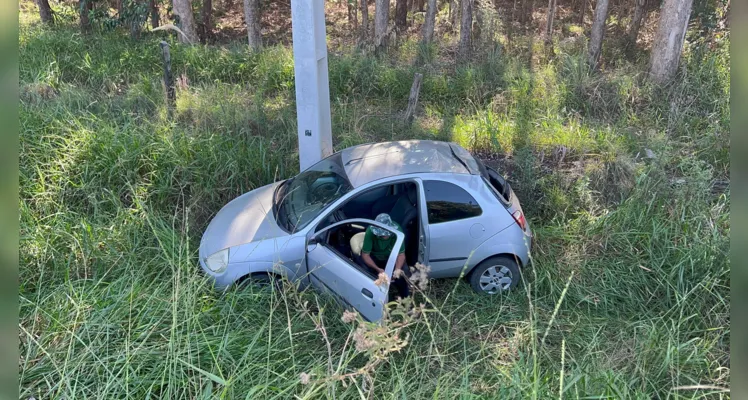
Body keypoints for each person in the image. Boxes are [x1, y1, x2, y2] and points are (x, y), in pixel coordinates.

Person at [361, 213, 410, 299]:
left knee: (404, 271)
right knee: (363, 269)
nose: (382, 236)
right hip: (375, 257)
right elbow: (365, 255)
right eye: (380, 234)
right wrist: (377, 269)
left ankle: (405, 298)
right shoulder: (370, 231)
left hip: (391, 257)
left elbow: (401, 255)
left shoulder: (398, 232)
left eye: (384, 234)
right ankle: (374, 296)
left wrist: (397, 270)